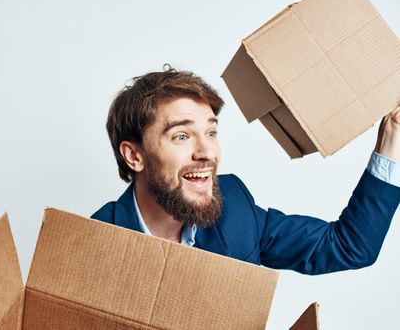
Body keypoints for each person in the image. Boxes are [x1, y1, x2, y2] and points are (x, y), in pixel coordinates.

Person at [91, 67, 400, 275]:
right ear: (134, 155)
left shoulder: (235, 209)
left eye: (211, 133)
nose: (207, 152)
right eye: (181, 136)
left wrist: (392, 138)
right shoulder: (91, 246)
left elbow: (349, 247)